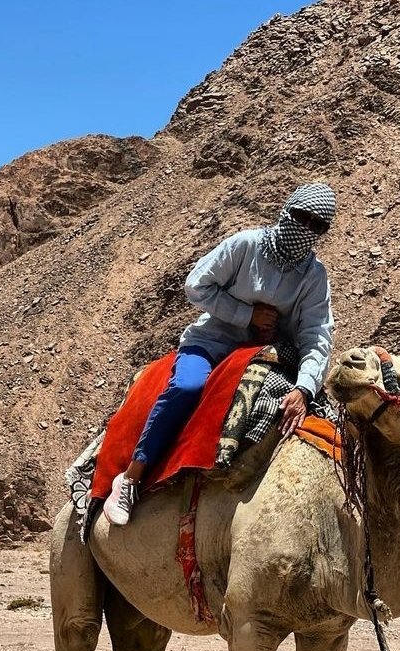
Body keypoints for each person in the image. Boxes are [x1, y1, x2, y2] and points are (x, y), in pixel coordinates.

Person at [104, 183, 337, 526]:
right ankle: (131, 478)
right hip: (212, 343)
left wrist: (304, 387)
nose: (307, 229)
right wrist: (247, 315)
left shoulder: (314, 276)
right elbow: (196, 285)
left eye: (318, 225)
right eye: (303, 218)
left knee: (321, 417)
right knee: (188, 387)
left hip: (268, 356)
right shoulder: (246, 245)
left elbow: (317, 333)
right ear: (288, 210)